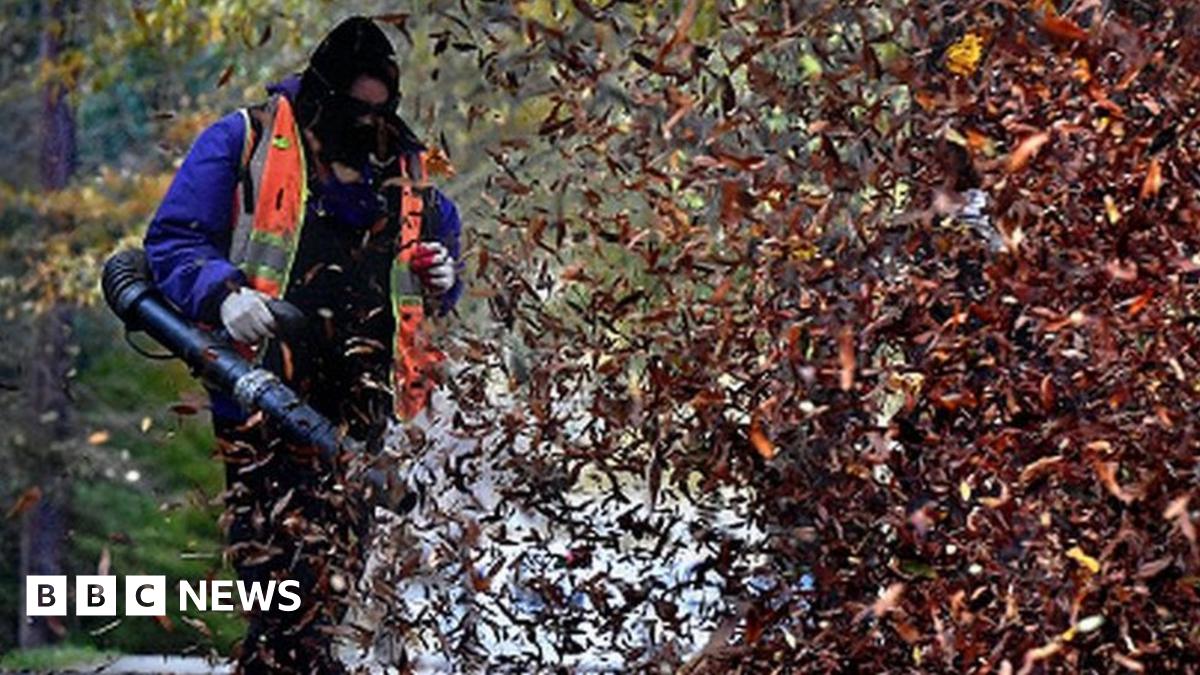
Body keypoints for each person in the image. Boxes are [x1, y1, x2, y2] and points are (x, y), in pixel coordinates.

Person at [143, 16, 463, 674]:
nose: (367, 126)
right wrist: (224, 293)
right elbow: (171, 242)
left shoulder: (406, 170)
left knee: (332, 594)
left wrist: (444, 274)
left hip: (363, 422)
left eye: (381, 111)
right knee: (284, 596)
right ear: (321, 96)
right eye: (355, 109)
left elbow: (440, 253)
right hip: (262, 406)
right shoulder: (247, 140)